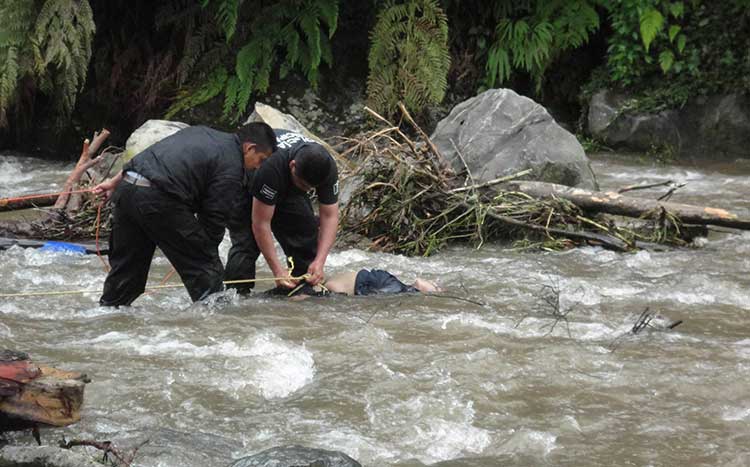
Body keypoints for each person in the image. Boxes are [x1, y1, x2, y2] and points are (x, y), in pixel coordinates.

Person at [94, 123, 278, 306]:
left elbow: (147, 155)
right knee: (205, 266)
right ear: (249, 148)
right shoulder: (232, 165)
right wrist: (206, 253)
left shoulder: (199, 131)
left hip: (127, 188)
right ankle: (219, 323)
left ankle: (110, 311)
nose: (258, 167)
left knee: (126, 269)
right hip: (159, 199)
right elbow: (215, 215)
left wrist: (114, 182)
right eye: (261, 160)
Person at [224, 129, 339, 292]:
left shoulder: (327, 167)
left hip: (286, 185)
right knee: (247, 243)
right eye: (304, 186)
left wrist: (320, 261)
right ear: (293, 166)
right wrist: (277, 270)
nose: (307, 190)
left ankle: (301, 288)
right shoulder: (272, 166)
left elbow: (330, 216)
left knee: (305, 232)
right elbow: (261, 223)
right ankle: (236, 295)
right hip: (246, 181)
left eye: (311, 188)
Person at [274, 269, 441, 298]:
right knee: (408, 292)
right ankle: (426, 287)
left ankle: (425, 288)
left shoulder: (310, 293)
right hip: (373, 279)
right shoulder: (315, 286)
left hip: (370, 283)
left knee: (408, 293)